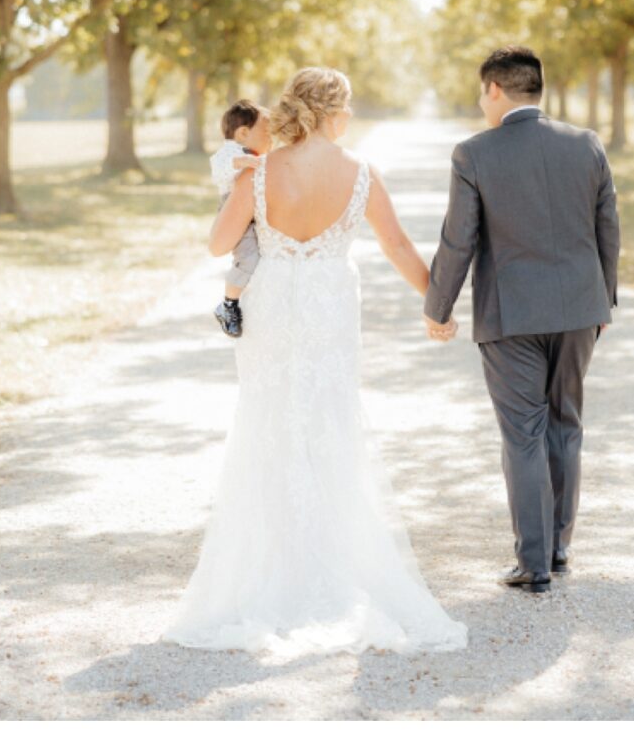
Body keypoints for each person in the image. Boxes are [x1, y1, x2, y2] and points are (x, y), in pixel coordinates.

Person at [164, 67, 467, 657]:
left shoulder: (261, 170)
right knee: (330, 419)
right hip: (329, 306)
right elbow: (398, 246)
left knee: (268, 419)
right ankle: (333, 559)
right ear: (335, 113)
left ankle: (269, 566)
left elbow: (218, 245)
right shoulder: (360, 174)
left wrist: (244, 194)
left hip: (273, 303)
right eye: (347, 107)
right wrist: (439, 305)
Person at [424, 45, 619, 595]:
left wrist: (437, 309)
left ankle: (533, 564)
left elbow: (458, 241)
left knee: (524, 435)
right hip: (581, 310)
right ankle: (557, 550)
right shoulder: (586, 144)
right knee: (566, 425)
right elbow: (609, 227)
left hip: (510, 318)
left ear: (494, 90)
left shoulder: (473, 154)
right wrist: (604, 301)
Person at [208, 100, 271, 338]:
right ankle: (228, 304)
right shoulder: (231, 152)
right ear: (243, 133)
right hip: (234, 209)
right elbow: (219, 167)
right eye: (267, 133)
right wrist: (241, 162)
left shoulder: (254, 154)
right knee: (248, 258)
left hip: (252, 211)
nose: (271, 139)